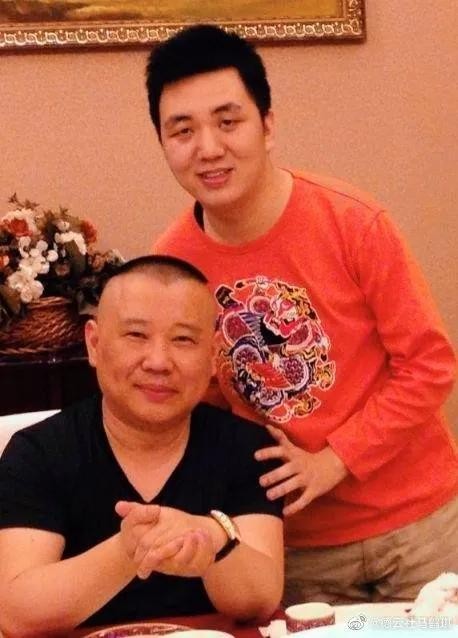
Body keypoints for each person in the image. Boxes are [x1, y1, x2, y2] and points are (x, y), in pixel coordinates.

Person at [147, 25, 458, 604]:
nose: (208, 148)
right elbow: (198, 405)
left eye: (228, 121)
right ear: (163, 143)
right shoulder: (171, 267)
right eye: (182, 131)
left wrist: (336, 459)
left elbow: (429, 365)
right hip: (292, 544)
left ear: (267, 125)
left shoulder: (353, 222)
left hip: (421, 528)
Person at [0, 255, 284, 636]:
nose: (158, 361)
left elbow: (261, 601)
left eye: (183, 339)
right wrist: (130, 549)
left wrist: (215, 540)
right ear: (94, 344)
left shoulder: (246, 447)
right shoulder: (37, 453)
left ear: (212, 357)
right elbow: (15, 615)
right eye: (136, 335)